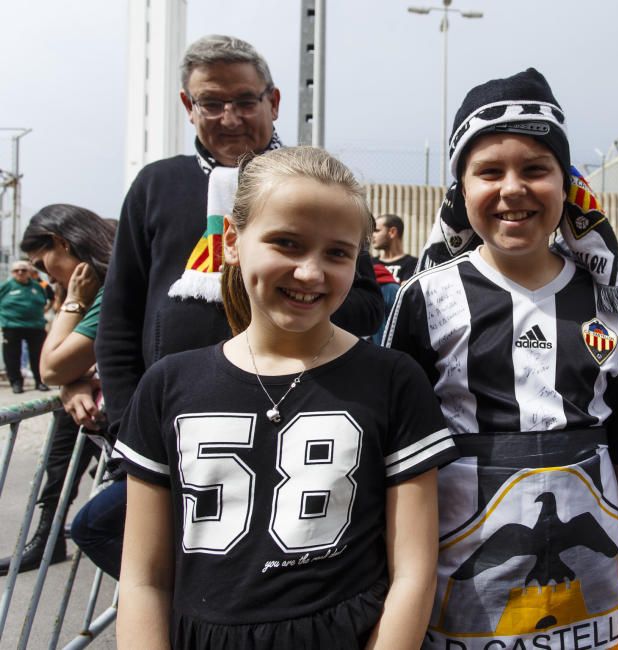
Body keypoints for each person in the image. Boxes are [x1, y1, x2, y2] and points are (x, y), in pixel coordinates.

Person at [114, 147, 456, 649]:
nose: (311, 273)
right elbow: (144, 578)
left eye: (337, 253)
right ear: (232, 240)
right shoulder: (168, 386)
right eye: (287, 243)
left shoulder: (393, 381)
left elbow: (413, 571)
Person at [386, 68, 618, 649]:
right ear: (460, 189)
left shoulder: (611, 304)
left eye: (536, 169)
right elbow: (393, 465)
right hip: (457, 616)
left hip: (596, 616)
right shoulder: (426, 299)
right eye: (489, 171)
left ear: (565, 185)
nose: (512, 188)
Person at [96, 34, 383, 457]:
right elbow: (120, 317)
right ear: (188, 108)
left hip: (300, 417)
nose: (229, 118)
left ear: (275, 102)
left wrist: (289, 295)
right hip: (171, 428)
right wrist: (128, 432)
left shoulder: (318, 185)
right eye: (211, 103)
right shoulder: (156, 186)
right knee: (93, 527)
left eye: (245, 101)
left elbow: (366, 305)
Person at [0, 206, 117, 578]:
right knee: (63, 453)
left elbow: (50, 366)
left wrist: (73, 302)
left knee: (95, 527)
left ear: (61, 242)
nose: (44, 274)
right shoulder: (106, 277)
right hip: (118, 415)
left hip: (142, 428)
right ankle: (47, 534)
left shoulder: (109, 281)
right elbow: (66, 367)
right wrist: (75, 381)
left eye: (40, 262)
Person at [1, 261, 49, 393]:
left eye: (23, 270)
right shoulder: (6, 286)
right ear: (12, 273)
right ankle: (16, 383)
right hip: (12, 326)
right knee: (12, 356)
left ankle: (40, 381)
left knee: (38, 355)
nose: (20, 272)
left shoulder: (37, 286)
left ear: (29, 272)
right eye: (17, 270)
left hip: (36, 326)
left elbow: (46, 300)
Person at [371, 213, 418, 282]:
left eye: (377, 231)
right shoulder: (370, 263)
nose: (372, 235)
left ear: (392, 232)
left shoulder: (414, 264)